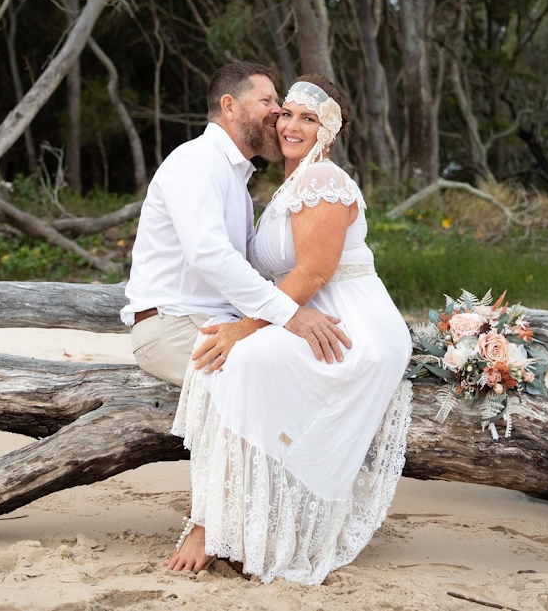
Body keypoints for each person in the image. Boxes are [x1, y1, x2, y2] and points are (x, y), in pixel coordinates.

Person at [167, 74, 413, 585]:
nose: (292, 125)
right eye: (287, 114)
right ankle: (231, 524)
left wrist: (245, 329)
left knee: (243, 360)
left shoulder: (324, 180)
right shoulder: (290, 184)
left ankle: (218, 524)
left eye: (309, 118)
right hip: (310, 315)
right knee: (232, 363)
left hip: (350, 325)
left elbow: (313, 274)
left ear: (329, 129)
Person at [121, 62, 353, 387]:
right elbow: (210, 254)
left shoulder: (234, 177)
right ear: (229, 106)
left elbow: (249, 268)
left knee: (313, 366)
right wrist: (289, 313)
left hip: (204, 321)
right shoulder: (198, 161)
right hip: (173, 325)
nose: (277, 111)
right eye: (267, 102)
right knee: (279, 382)